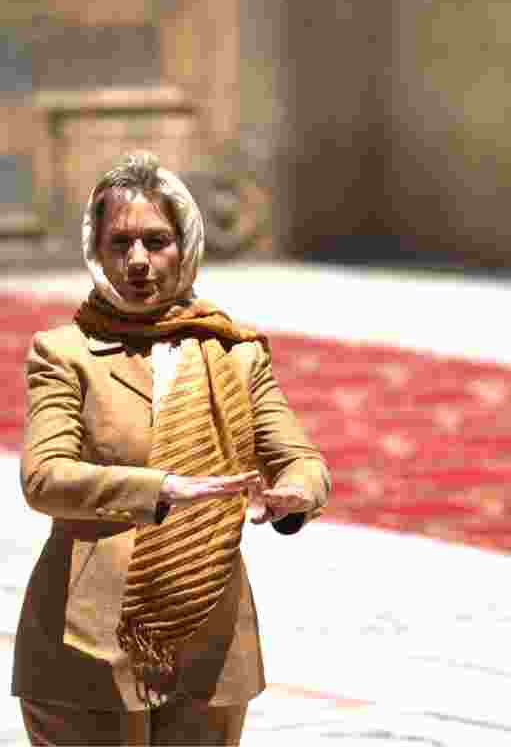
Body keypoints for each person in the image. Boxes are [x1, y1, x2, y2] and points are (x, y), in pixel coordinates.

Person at [12, 150, 331, 745]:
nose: (137, 261)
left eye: (156, 241)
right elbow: (44, 478)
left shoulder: (234, 351)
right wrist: (159, 488)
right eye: (119, 243)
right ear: (96, 250)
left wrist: (296, 493)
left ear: (185, 245)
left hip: (209, 633)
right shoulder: (64, 352)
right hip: (88, 634)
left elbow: (300, 458)